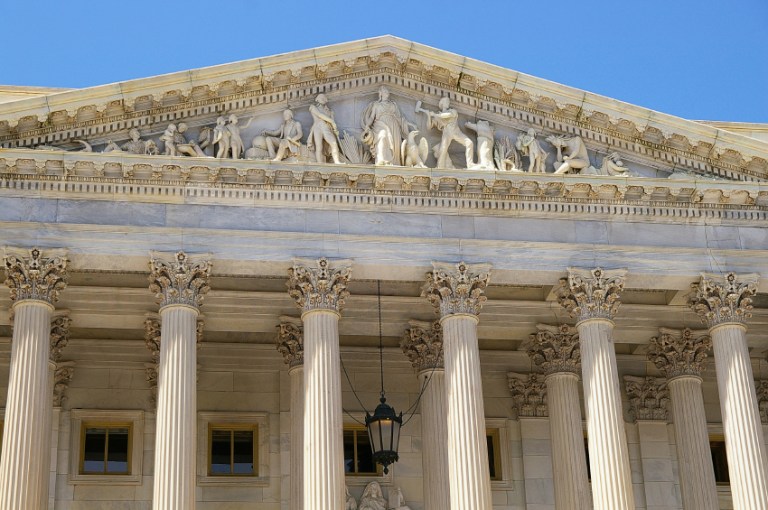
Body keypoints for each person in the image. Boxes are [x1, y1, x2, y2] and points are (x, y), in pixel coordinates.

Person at [361, 86, 413, 166]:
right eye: (385, 91)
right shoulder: (376, 105)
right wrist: (367, 126)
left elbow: (399, 118)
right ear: (380, 93)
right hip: (380, 124)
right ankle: (381, 159)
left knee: (395, 144)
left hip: (393, 126)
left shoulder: (393, 104)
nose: (387, 92)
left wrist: (409, 125)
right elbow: (372, 117)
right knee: (383, 135)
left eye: (387, 91)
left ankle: (394, 163)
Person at [417, 97, 474, 169]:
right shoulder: (438, 117)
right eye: (446, 101)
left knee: (469, 143)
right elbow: (429, 127)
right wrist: (428, 115)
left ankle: (470, 164)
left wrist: (435, 115)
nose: (448, 103)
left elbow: (447, 115)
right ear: (442, 104)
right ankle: (440, 167)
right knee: (443, 149)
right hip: (447, 133)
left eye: (448, 102)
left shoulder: (452, 111)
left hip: (456, 132)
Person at [308, 93, 343, 164]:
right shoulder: (313, 107)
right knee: (319, 146)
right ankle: (319, 163)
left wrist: (335, 130)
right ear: (317, 99)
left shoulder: (329, 111)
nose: (323, 99)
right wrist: (332, 121)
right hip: (317, 127)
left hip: (326, 128)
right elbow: (319, 115)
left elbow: (333, 122)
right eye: (321, 97)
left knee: (333, 143)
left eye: (324, 98)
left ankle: (337, 161)